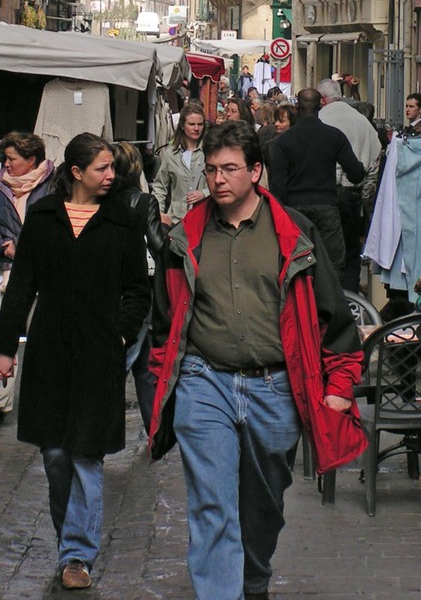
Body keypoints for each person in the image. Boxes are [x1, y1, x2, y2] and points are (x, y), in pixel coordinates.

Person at [148, 121, 366, 600]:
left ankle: (253, 578)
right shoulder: (186, 235)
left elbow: (333, 313)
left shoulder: (294, 231)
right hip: (205, 383)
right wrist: (163, 382)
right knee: (211, 504)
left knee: (263, 506)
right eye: (211, 170)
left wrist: (339, 384)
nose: (219, 179)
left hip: (277, 388)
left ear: (256, 171)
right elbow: (164, 318)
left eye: (230, 169)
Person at [0, 133, 150, 591]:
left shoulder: (123, 221)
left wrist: (121, 333)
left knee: (87, 455)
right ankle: (69, 538)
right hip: (50, 352)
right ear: (76, 173)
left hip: (98, 353)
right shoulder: (43, 218)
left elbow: (138, 288)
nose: (111, 175)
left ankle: (77, 553)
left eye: (112, 167)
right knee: (56, 456)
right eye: (102, 168)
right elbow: (22, 288)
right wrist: (3, 348)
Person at [0, 130, 55, 425]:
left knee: (45, 339)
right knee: (1, 332)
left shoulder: (54, 187)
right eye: (5, 158)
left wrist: (28, 246)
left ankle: (48, 401)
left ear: (31, 160)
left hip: (45, 275)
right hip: (5, 272)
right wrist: (3, 245)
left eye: (11, 159)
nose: (6, 164)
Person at [268, 88, 364, 279]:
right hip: (326, 205)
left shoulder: (283, 141)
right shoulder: (334, 136)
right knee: (333, 264)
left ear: (297, 107)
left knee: (295, 261)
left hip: (294, 208)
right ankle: (328, 303)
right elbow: (356, 174)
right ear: (321, 105)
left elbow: (278, 185)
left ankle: (300, 302)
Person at [109, 140, 165, 432]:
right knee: (134, 362)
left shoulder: (101, 200)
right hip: (140, 288)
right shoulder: (144, 202)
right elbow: (158, 244)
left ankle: (154, 430)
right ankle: (146, 429)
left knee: (143, 364)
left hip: (110, 286)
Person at [317, 79, 382, 292]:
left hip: (326, 194)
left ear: (323, 99)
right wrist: (365, 194)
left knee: (326, 250)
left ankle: (329, 296)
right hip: (353, 195)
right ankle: (351, 296)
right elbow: (374, 161)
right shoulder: (361, 121)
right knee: (352, 250)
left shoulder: (320, 118)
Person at [151, 101, 208, 226]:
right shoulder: (171, 154)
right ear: (182, 125)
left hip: (203, 221)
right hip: (176, 221)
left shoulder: (209, 152)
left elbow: (223, 184)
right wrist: (159, 214)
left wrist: (204, 193)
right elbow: (160, 186)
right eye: (192, 124)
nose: (196, 128)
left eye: (200, 124)